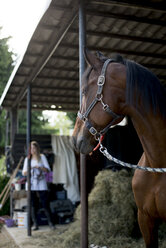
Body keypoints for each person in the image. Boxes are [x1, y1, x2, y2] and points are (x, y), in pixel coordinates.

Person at [22, 141, 55, 230]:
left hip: (41, 183)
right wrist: (30, 168)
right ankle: (35, 224)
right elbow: (24, 173)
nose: (32, 150)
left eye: (34, 148)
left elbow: (47, 170)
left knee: (45, 203)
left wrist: (39, 167)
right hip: (31, 184)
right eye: (31, 148)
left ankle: (50, 223)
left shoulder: (42, 157)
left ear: (37, 148)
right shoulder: (27, 159)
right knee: (33, 204)